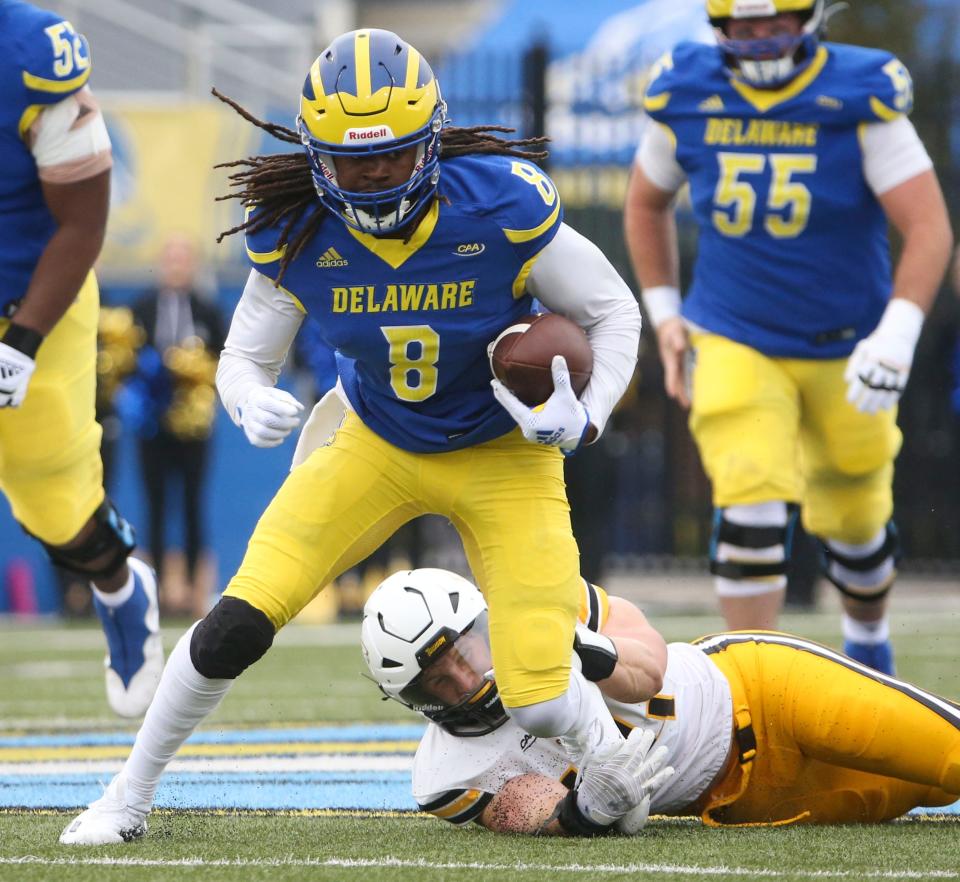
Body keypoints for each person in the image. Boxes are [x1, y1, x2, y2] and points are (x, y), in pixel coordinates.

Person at [58, 28, 644, 845]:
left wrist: (590, 411)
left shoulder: (501, 206)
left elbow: (612, 311)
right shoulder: (293, 225)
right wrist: (244, 395)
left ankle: (615, 750)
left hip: (500, 451)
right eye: (350, 158)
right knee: (236, 622)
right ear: (313, 153)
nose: (371, 175)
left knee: (541, 695)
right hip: (377, 440)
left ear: (431, 142)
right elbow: (244, 356)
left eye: (392, 156)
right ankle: (127, 795)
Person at [623, 0, 954, 673]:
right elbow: (645, 201)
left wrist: (896, 333)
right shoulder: (689, 91)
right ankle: (758, 681)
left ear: (812, 18)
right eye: (746, 27)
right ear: (719, 27)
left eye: (777, 22)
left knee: (857, 524)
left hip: (848, 343)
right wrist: (665, 316)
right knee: (749, 502)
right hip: (735, 332)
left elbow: (929, 228)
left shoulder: (855, 96)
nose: (763, 39)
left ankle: (868, 644)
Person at [362, 567, 960, 834]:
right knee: (934, 790)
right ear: (412, 699)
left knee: (950, 755)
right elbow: (536, 814)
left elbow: (648, 670)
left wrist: (578, 647)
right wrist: (585, 813)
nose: (468, 678)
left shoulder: (544, 601)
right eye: (439, 679)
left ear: (488, 619)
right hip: (739, 804)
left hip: (764, 688)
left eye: (468, 648)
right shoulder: (446, 773)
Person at [0, 0, 162, 716]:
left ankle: (120, 588)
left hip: (33, 293)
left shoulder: (29, 52)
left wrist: (22, 341)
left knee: (52, 496)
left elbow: (84, 220)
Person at [129, 234, 225, 616]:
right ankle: (154, 588)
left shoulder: (208, 310)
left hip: (195, 427)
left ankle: (191, 591)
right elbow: (127, 361)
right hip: (152, 426)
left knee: (192, 504)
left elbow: (227, 358)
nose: (176, 266)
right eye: (170, 258)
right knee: (154, 504)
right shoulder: (141, 308)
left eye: (183, 259)